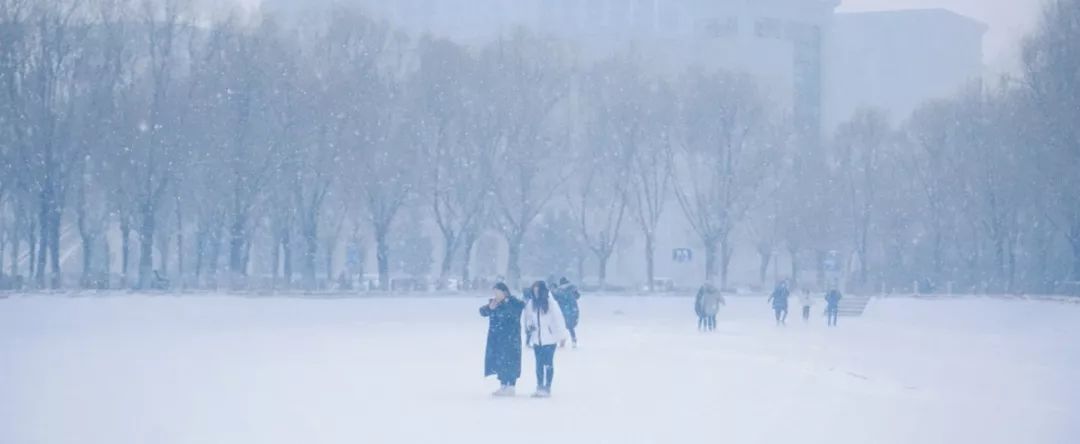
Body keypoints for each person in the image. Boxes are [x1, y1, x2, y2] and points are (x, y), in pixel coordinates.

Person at [522, 281, 570, 398]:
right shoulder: (531, 304)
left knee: (547, 363)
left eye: (537, 290)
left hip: (549, 339)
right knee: (538, 364)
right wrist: (529, 327)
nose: (536, 293)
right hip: (536, 339)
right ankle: (539, 386)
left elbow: (559, 320)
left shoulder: (551, 304)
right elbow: (527, 318)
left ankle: (547, 387)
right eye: (534, 290)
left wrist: (562, 336)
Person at [480, 283, 526, 396]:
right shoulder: (495, 303)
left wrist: (499, 307)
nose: (495, 295)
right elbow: (482, 311)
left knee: (510, 361)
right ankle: (503, 385)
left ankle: (511, 385)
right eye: (494, 292)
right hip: (497, 338)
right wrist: (490, 308)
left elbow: (510, 314)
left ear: (504, 292)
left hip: (511, 338)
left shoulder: (514, 303)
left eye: (497, 292)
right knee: (500, 361)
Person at [553, 277, 581, 347]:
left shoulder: (559, 291)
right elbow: (577, 296)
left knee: (561, 326)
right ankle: (573, 340)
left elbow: (555, 298)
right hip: (572, 309)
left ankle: (562, 340)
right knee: (570, 326)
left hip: (562, 310)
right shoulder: (572, 289)